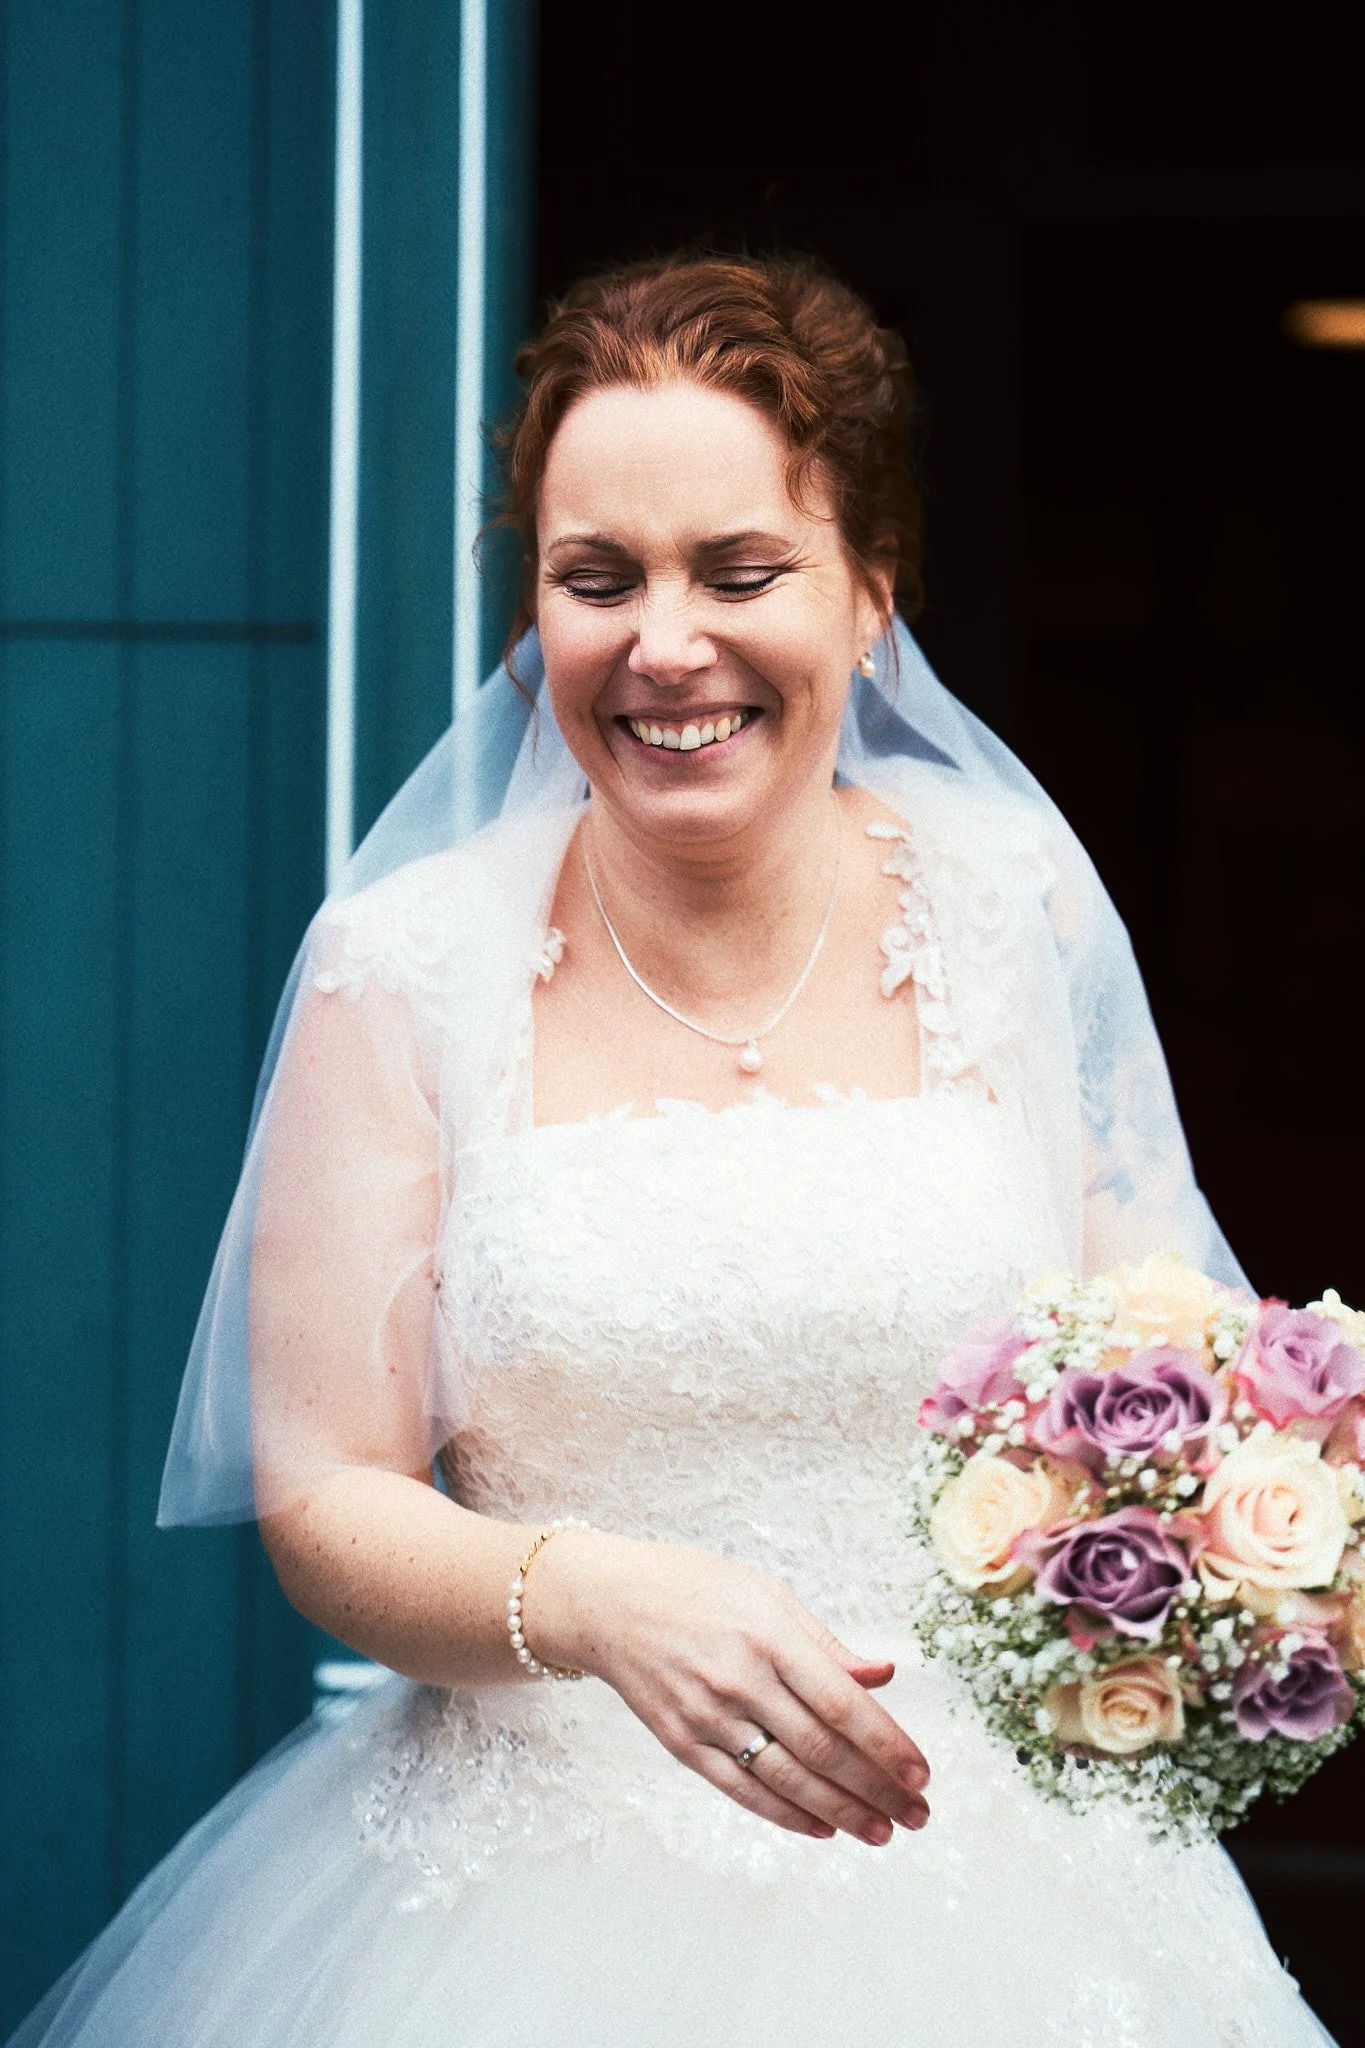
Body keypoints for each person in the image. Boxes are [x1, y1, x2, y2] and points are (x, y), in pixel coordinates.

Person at [10, 253, 1336, 2047]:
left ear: (873, 595)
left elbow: (1153, 1365)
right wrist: (595, 1595)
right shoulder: (404, 968)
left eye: (740, 570)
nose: (665, 644)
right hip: (516, 1907)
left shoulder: (1008, 900)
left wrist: (1267, 1521)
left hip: (998, 1886)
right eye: (596, 580)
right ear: (533, 613)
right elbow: (324, 1496)